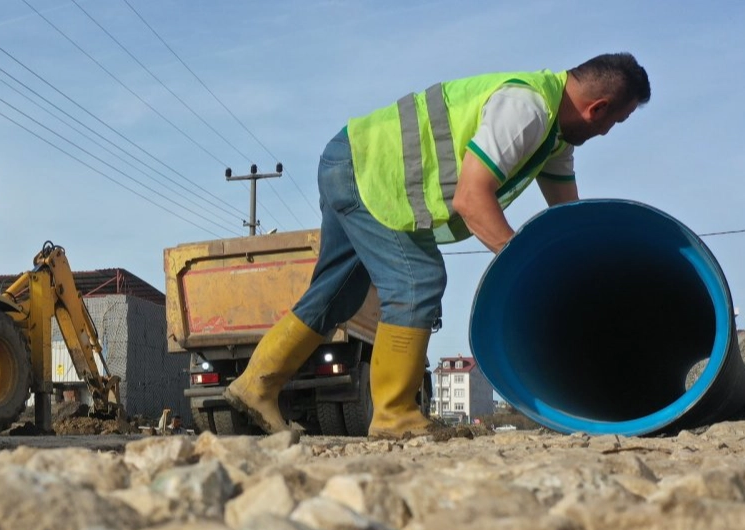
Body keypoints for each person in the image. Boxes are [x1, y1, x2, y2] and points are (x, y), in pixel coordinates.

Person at [224, 53, 650, 439]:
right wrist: (526, 270)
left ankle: (255, 385)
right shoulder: (527, 109)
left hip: (351, 158)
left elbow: (567, 218)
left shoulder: (554, 138)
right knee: (418, 281)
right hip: (370, 170)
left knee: (339, 291)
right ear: (598, 109)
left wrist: (585, 276)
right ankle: (394, 414)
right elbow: (471, 199)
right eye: (616, 122)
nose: (607, 132)